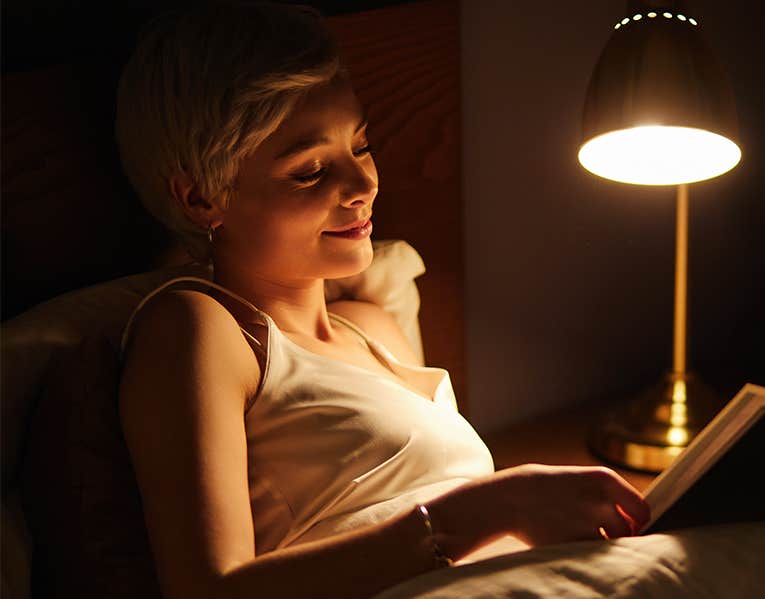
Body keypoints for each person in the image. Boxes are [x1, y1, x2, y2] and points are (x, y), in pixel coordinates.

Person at [114, 3, 648, 598]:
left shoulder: (374, 328)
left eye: (361, 146)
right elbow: (206, 590)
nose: (364, 184)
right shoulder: (200, 329)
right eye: (311, 170)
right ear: (200, 199)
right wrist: (490, 508)